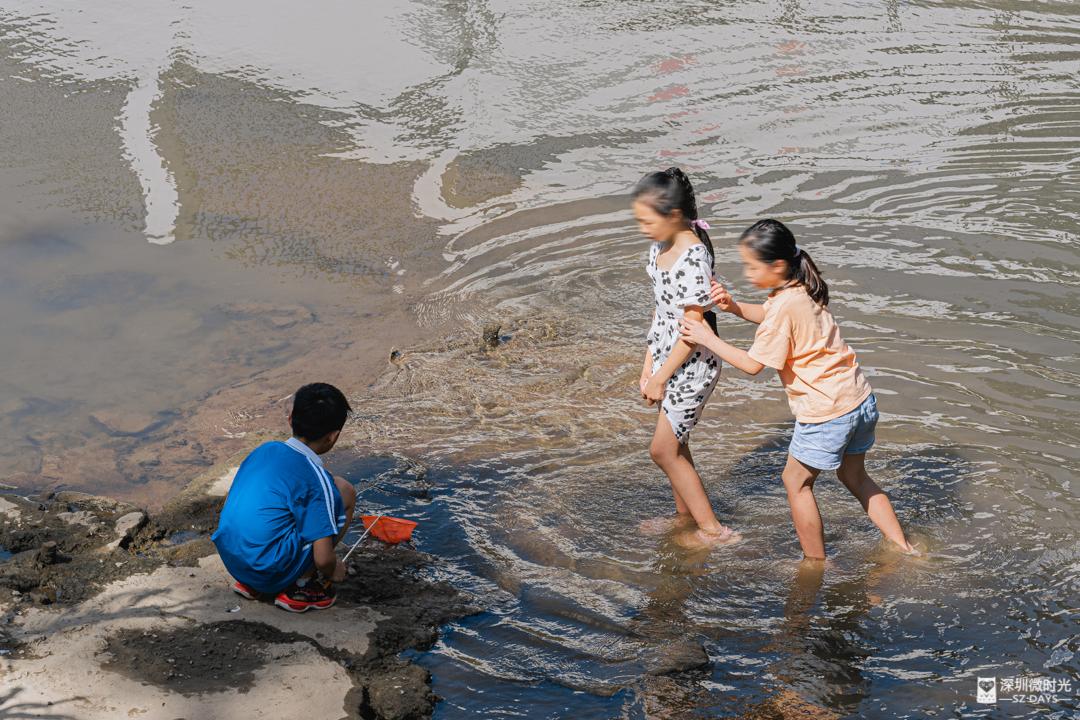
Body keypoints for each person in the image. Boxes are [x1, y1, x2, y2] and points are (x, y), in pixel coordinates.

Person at [679, 219, 916, 559]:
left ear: (777, 266)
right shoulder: (803, 289)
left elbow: (752, 365)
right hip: (859, 400)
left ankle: (815, 563)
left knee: (796, 483)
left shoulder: (784, 307)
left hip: (826, 412)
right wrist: (733, 308)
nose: (747, 274)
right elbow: (772, 315)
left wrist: (708, 338)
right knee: (856, 477)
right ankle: (904, 548)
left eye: (751, 266)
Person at [632, 167, 739, 548]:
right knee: (676, 444)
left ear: (674, 216)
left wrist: (662, 377)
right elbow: (661, 312)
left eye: (648, 221)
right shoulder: (660, 245)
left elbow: (693, 332)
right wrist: (648, 365)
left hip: (692, 365)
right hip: (666, 356)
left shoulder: (693, 259)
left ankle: (715, 532)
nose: (643, 228)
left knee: (662, 450)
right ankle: (685, 518)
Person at [212, 382, 356, 612]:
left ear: (291, 419)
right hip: (267, 570)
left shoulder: (264, 450)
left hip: (234, 560)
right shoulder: (315, 480)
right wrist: (334, 569)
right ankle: (303, 585)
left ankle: (251, 583)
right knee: (344, 491)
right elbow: (323, 559)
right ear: (333, 437)